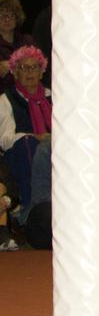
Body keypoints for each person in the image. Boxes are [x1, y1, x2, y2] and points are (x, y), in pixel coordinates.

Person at [0, 46, 52, 219]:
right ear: (14, 73)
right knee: (29, 144)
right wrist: (34, 137)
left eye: (34, 67)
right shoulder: (6, 99)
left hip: (52, 149)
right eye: (23, 68)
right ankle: (31, 208)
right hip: (20, 155)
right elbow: (5, 140)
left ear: (42, 72)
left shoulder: (53, 96)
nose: (29, 72)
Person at [0, 0, 35, 96]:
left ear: (17, 18)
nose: (7, 19)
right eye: (2, 15)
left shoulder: (27, 40)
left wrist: (11, 64)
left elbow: (40, 64)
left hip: (27, 95)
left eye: (11, 15)